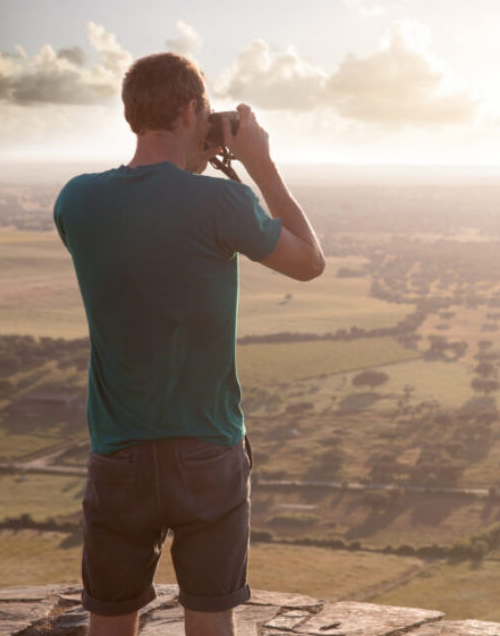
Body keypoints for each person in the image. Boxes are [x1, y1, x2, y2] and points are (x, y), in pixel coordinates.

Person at [53, 52, 325, 636]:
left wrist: (189, 164)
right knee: (209, 622)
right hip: (207, 451)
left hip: (118, 452)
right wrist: (259, 164)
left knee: (109, 622)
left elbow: (147, 215)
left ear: (133, 114)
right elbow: (310, 262)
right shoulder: (221, 204)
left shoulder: (75, 201)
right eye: (203, 111)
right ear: (191, 110)